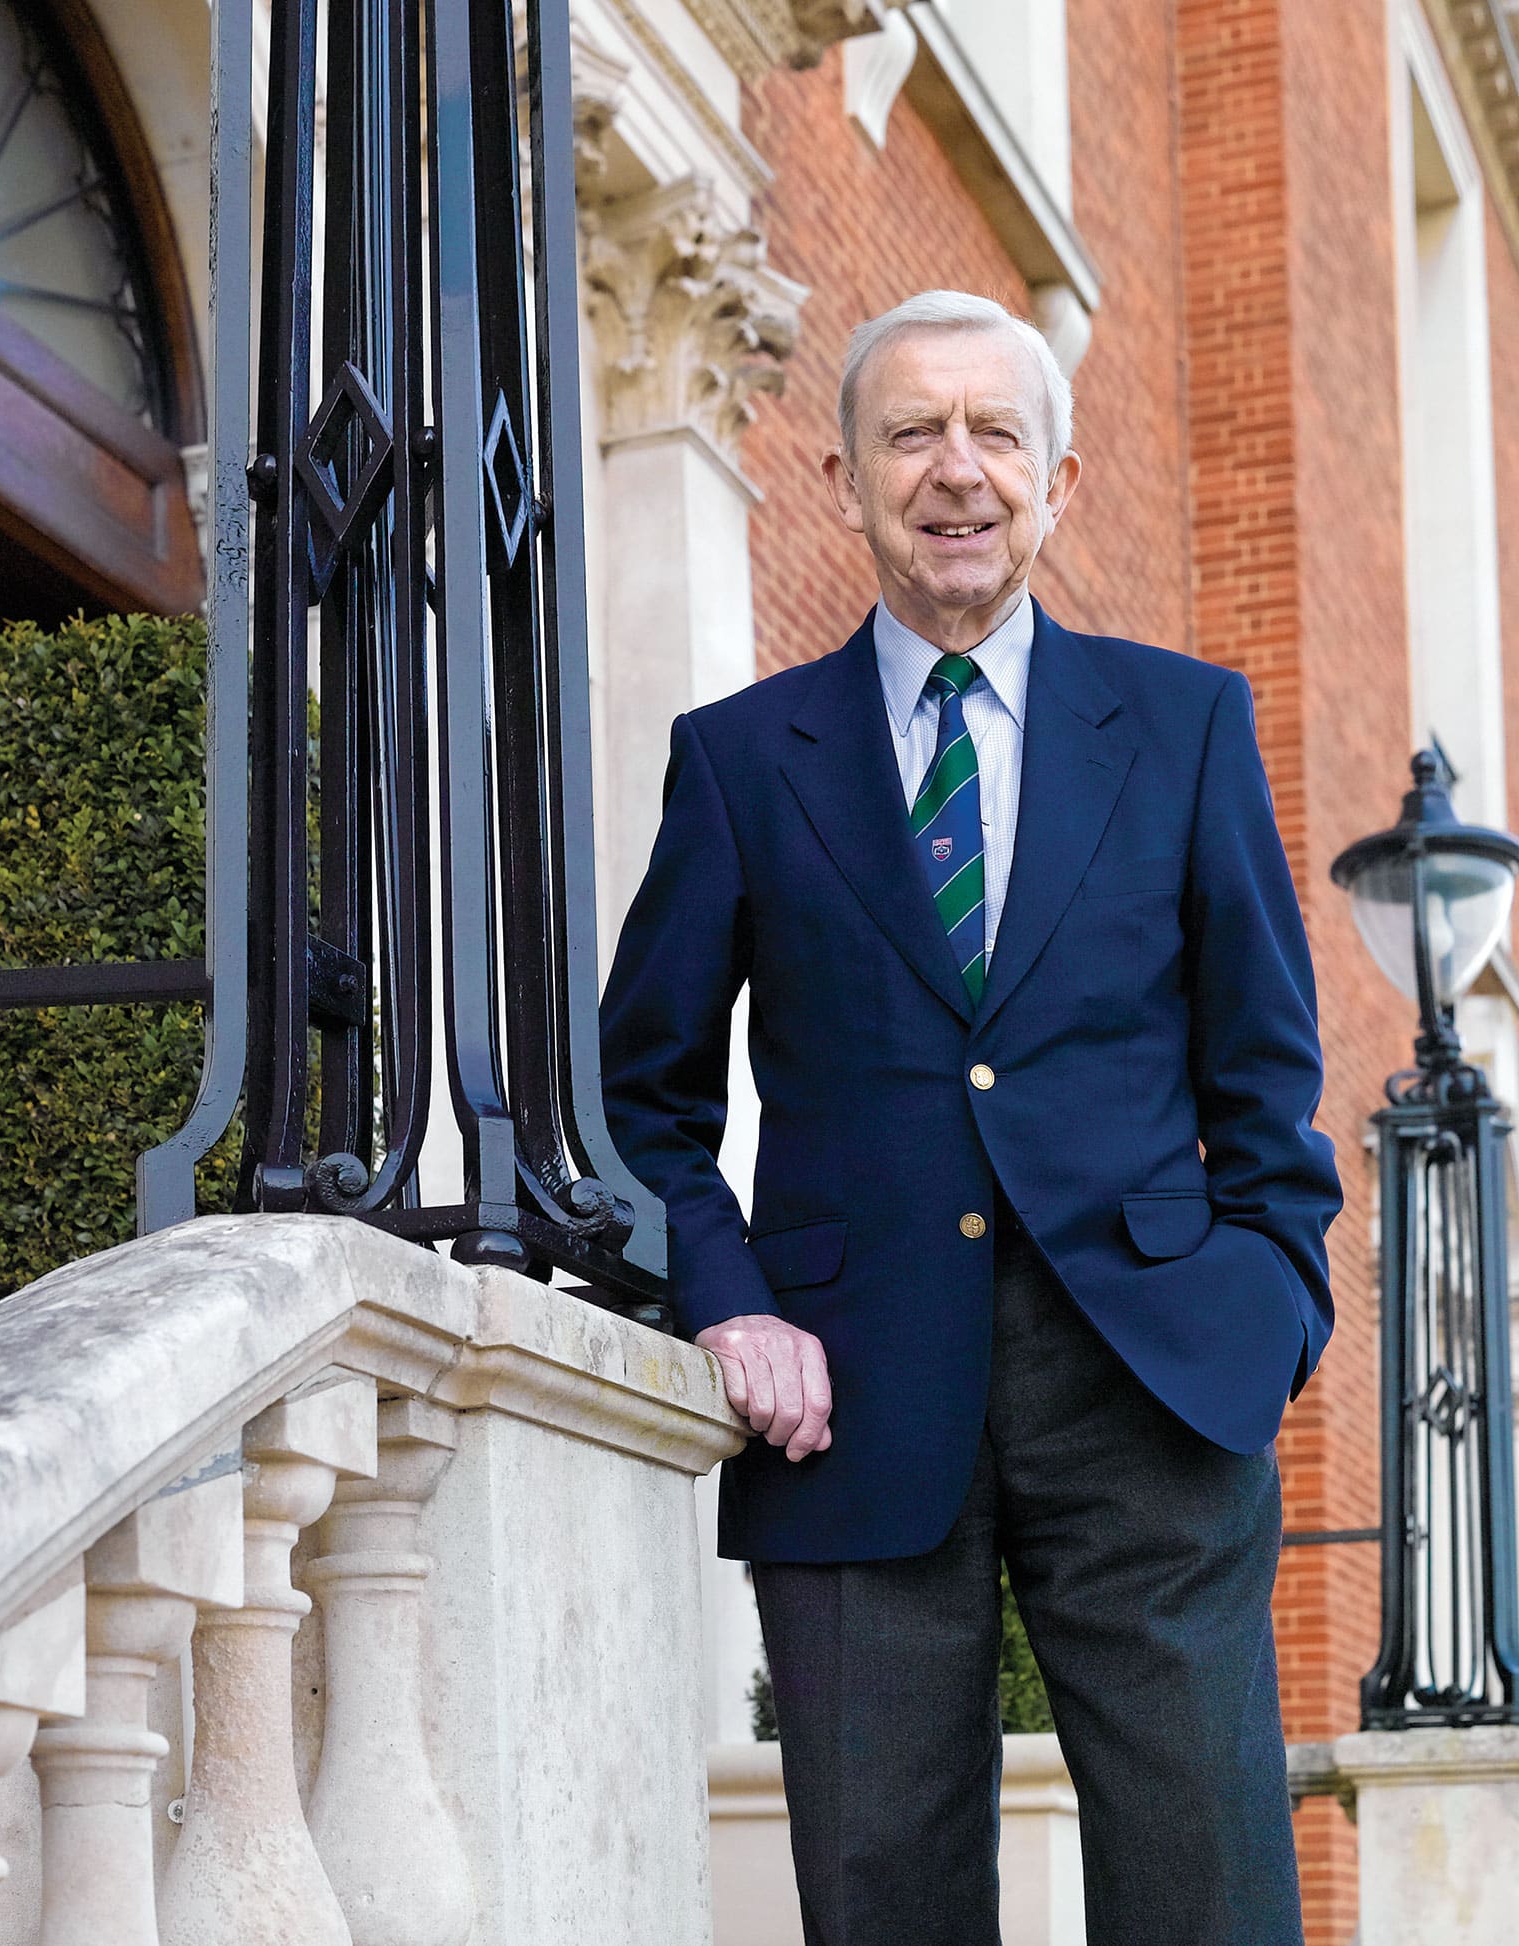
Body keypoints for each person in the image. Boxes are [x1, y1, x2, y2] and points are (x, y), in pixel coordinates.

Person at [599, 289, 1341, 1946]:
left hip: (1151, 1385)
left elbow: (1267, 1083)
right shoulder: (736, 759)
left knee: (1208, 1890)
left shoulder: (1188, 725)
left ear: (1059, 479)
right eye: (911, 433)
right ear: (845, 480)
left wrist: (1268, 1307)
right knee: (883, 1896)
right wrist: (726, 1296)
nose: (957, 470)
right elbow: (637, 1097)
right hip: (849, 1402)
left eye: (996, 431)